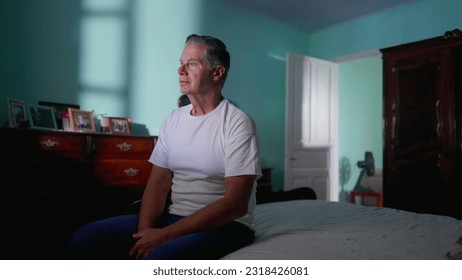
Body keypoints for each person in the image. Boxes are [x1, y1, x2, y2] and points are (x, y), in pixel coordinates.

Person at [66, 34, 261, 260]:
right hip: (174, 217)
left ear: (217, 73)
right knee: (84, 238)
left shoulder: (238, 122)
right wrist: (145, 232)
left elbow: (235, 204)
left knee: (159, 259)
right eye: (181, 63)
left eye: (192, 64)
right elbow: (158, 183)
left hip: (226, 225)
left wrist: (164, 236)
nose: (181, 71)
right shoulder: (173, 119)